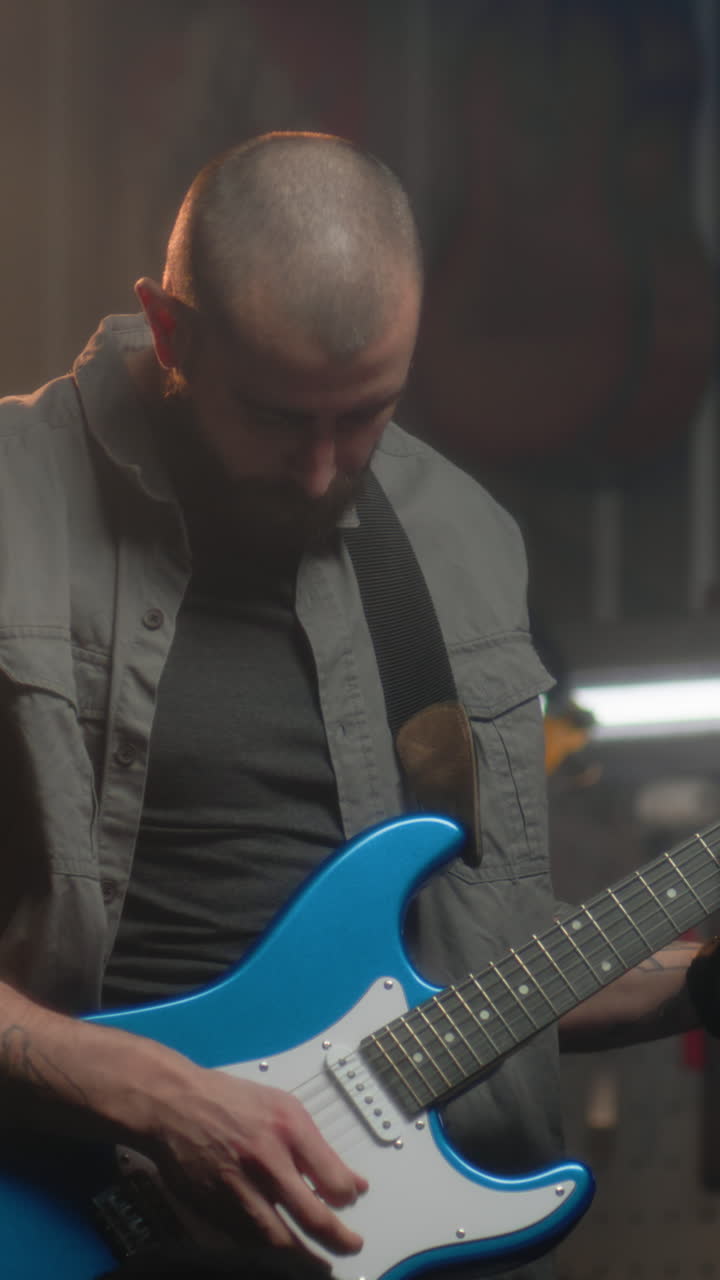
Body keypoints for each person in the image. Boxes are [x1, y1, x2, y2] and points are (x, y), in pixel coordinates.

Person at [0, 131, 711, 1280]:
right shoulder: (13, 503)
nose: (328, 468)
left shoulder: (456, 540)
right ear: (172, 330)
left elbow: (467, 966)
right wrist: (142, 1090)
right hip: (55, 1216)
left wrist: (691, 986)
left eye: (367, 412)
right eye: (282, 418)